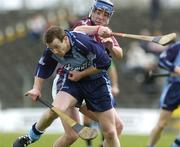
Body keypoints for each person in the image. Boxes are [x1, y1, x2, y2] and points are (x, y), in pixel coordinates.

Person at [13, 26, 121, 147]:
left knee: (111, 132)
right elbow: (43, 66)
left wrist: (81, 74)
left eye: (57, 47)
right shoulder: (51, 50)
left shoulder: (83, 43)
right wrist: (36, 88)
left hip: (97, 83)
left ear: (65, 39)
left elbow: (105, 62)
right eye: (51, 48)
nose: (55, 51)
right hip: (73, 82)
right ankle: (30, 137)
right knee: (56, 109)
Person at [147, 41, 180, 147]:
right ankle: (150, 145)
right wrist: (174, 68)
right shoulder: (178, 46)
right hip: (174, 87)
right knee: (161, 124)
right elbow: (162, 60)